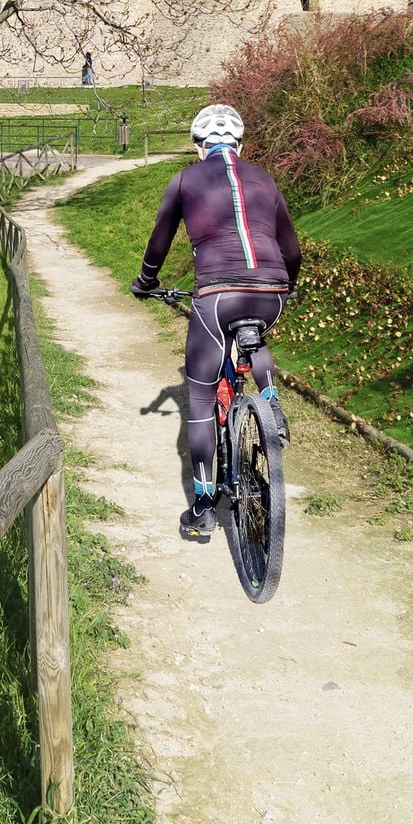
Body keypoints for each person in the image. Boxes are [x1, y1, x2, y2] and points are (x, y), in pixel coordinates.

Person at [130, 104, 301, 543]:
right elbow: (292, 250)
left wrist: (146, 282)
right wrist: (287, 287)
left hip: (218, 295)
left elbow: (159, 241)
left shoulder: (185, 180)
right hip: (272, 291)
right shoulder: (265, 179)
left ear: (198, 146)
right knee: (254, 336)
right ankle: (271, 402)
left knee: (202, 399)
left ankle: (204, 505)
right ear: (240, 145)